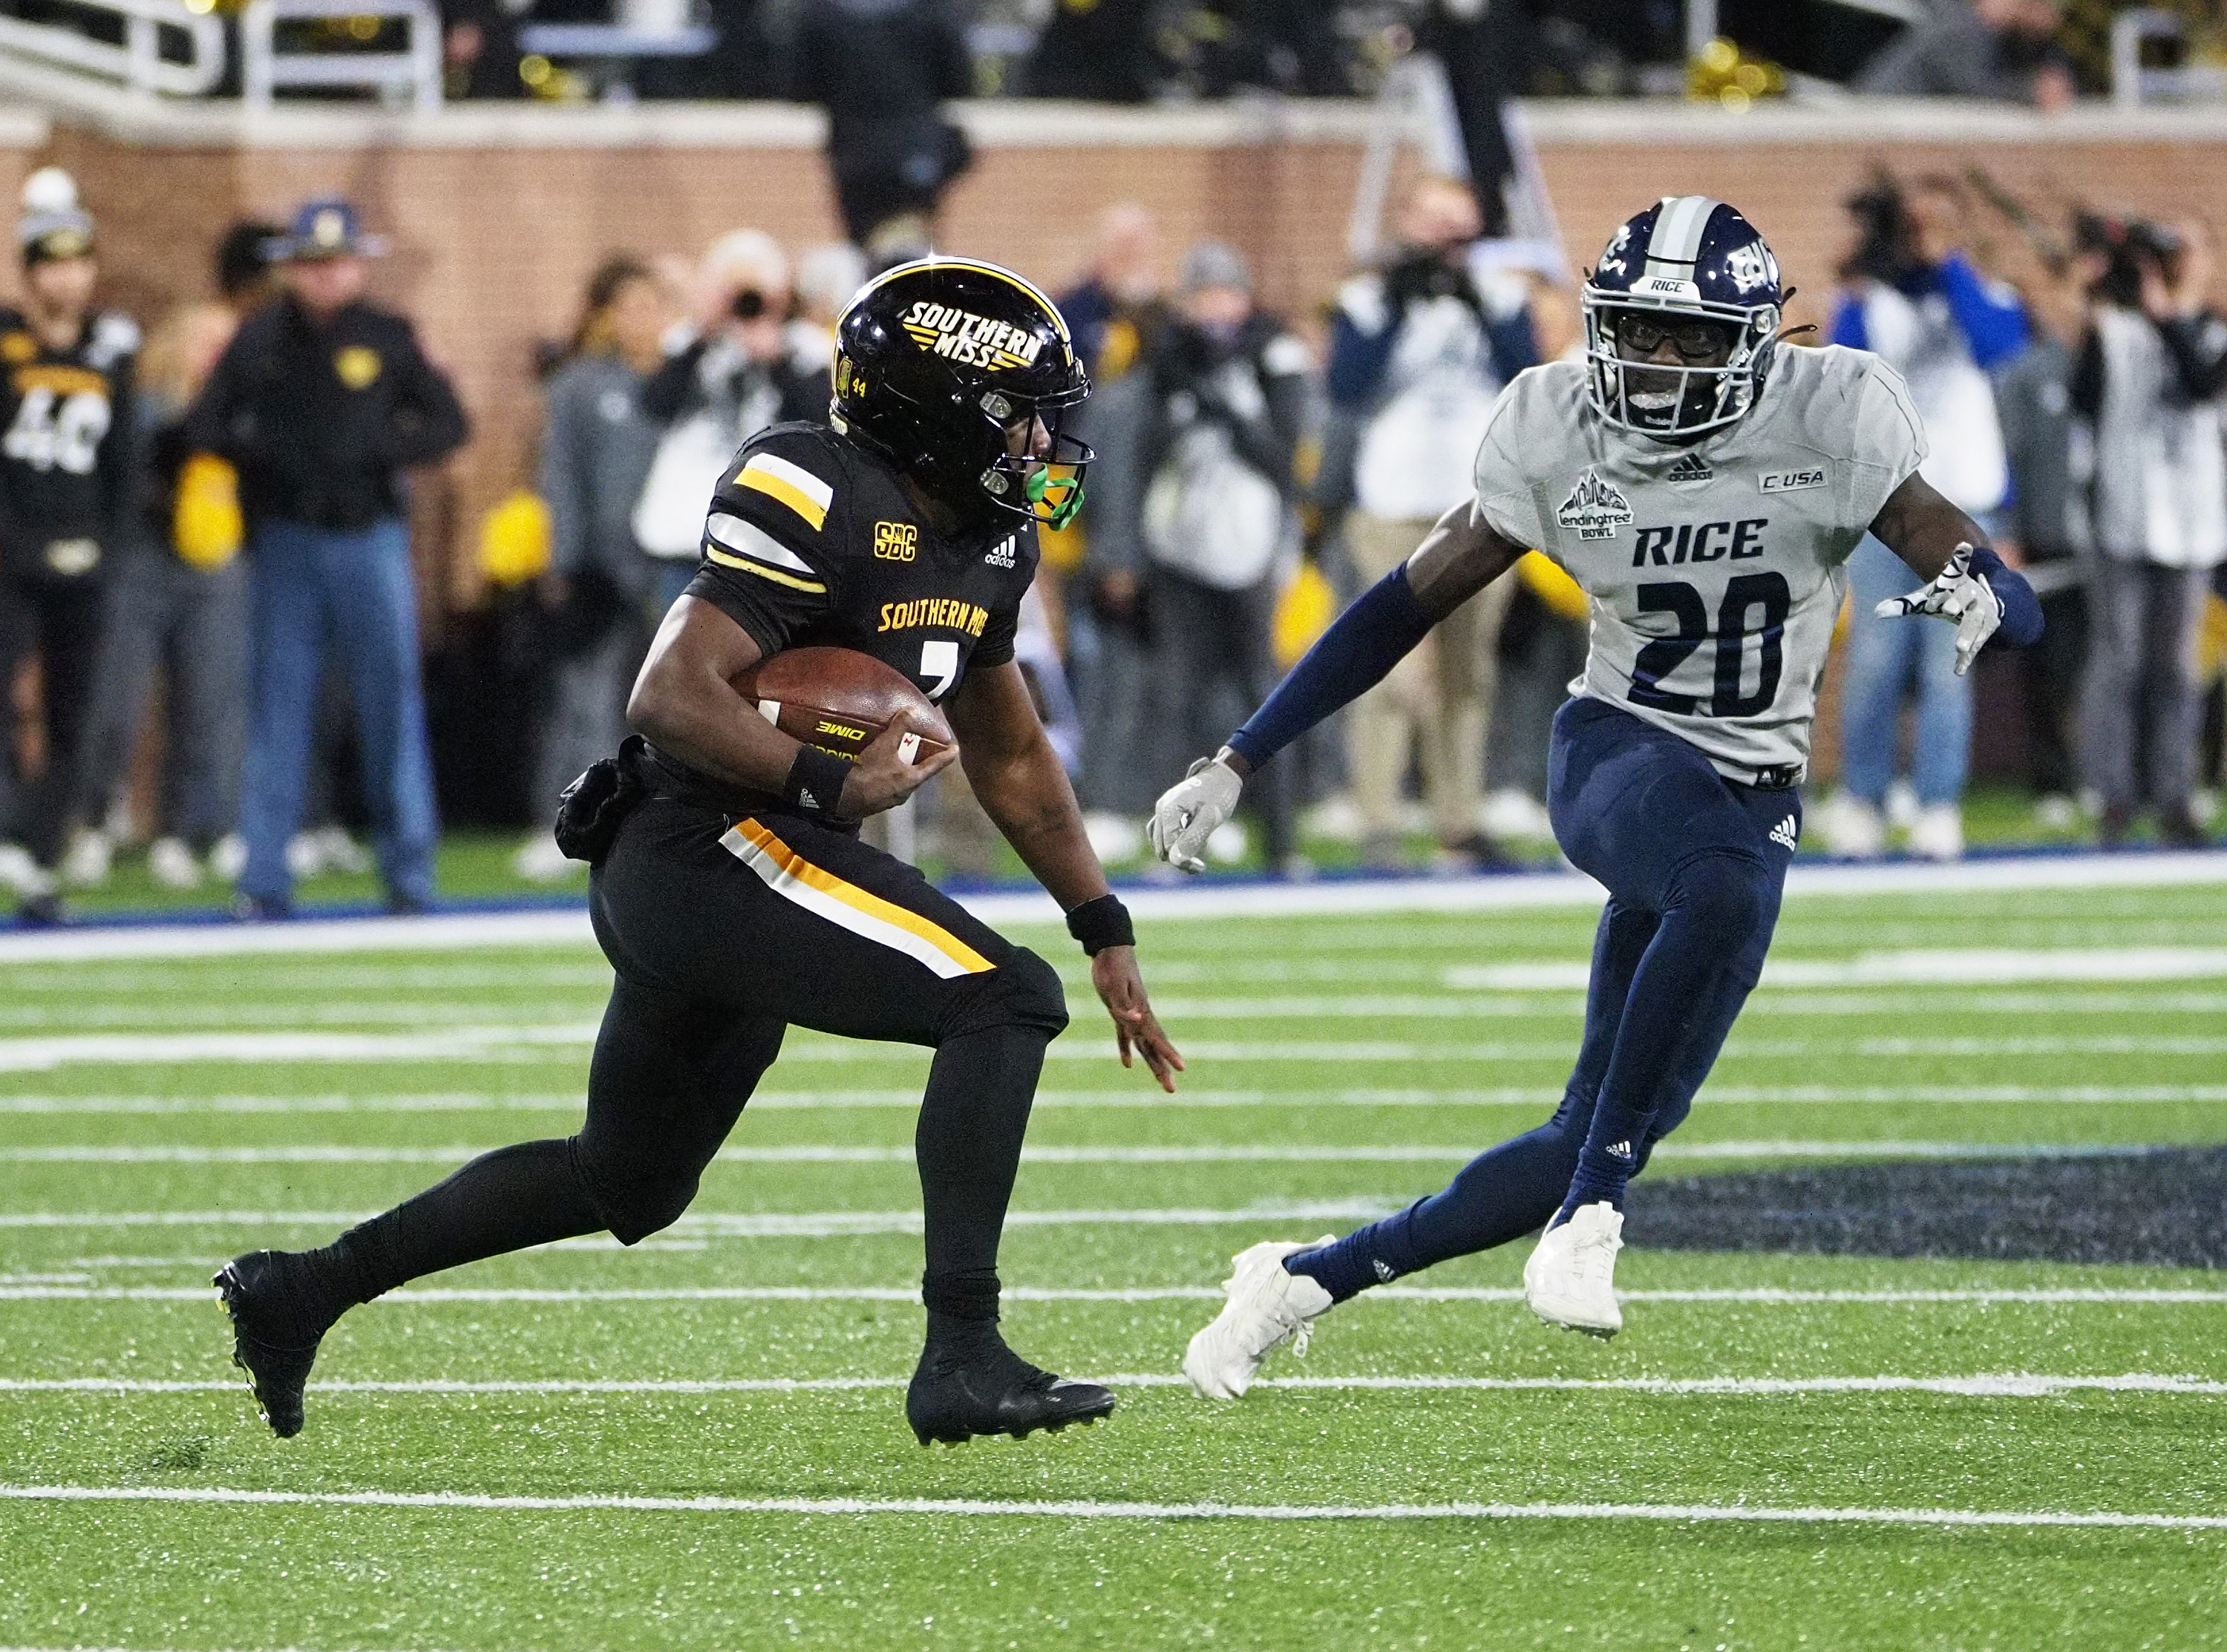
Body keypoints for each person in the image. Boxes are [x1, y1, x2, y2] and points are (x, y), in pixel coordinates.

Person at [214, 257, 1183, 1448]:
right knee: (1003, 999)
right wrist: (831, 776)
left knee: (625, 1182)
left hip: (742, 863)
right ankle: (963, 1353)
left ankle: (301, 1288)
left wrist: (1102, 922)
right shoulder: (814, 484)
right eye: (1017, 410)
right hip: (704, 840)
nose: (1041, 437)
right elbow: (668, 693)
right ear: (932, 401)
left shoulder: (987, 538)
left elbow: (1015, 750)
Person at [1153, 196, 2041, 1393]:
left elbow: (1973, 558)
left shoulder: (1836, 410)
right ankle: (1594, 1218)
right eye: (1637, 331)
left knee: (1589, 1125)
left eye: (1690, 338)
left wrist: (1988, 594)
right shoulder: (1557, 421)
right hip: (1619, 748)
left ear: (1760, 337)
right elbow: (1399, 607)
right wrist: (1239, 757)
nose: (1659, 365)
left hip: (1753, 787)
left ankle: (1308, 1277)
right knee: (1705, 919)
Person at [186, 197, 469, 919]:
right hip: (288, 538)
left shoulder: (389, 335)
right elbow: (207, 424)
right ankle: (264, 877)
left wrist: (381, 454)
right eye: (311, 264)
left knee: (390, 705)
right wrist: (266, 462)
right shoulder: (259, 339)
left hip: (369, 535)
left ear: (358, 265)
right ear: (291, 269)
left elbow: (448, 422)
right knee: (277, 709)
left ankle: (410, 873)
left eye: (336, 263)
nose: (324, 278)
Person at [1319, 175, 1539, 869]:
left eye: (1457, 225)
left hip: (1476, 508)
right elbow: (1346, 389)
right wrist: (1394, 306)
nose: (1445, 240)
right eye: (1433, 224)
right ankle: (1377, 818)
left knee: (1466, 674)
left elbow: (1526, 380)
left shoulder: (1501, 295)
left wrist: (1478, 307)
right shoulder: (1366, 299)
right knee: (1384, 669)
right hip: (1389, 504)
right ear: (1408, 225)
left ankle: (1459, 820)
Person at [1825, 176, 2029, 861]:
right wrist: (1869, 276)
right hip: (1888, 506)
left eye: (1936, 224)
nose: (1920, 236)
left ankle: (1938, 802)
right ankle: (1865, 797)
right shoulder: (1870, 300)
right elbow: (1840, 377)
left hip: (1965, 506)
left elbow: (1996, 347)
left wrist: (1948, 265)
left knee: (1948, 663)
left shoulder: (1987, 294)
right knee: (1877, 662)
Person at [1093, 240, 1310, 871]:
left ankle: (1280, 842)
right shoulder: (1163, 362)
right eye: (1202, 296)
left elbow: (1282, 459)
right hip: (1180, 550)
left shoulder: (1273, 357)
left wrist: (1219, 399)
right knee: (1175, 699)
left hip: (1252, 548)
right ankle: (1174, 838)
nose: (1215, 310)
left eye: (1225, 294)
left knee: (1265, 697)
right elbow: (1136, 458)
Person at [65, 291, 250, 893]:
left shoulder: (242, 414)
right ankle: (93, 825)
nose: (218, 356)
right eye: (208, 342)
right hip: (142, 564)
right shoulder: (142, 403)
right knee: (116, 705)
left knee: (203, 705)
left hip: (211, 568)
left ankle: (176, 832)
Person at [0, 168, 139, 927]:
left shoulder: (109, 351)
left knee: (72, 715)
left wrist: (108, 547)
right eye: (51, 262)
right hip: (13, 557)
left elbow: (125, 465)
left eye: (77, 261)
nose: (67, 277)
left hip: (84, 556)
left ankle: (43, 849)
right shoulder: (6, 343)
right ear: (30, 271)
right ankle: (13, 835)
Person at [513, 257, 673, 884]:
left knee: (674, 706)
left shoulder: (687, 382)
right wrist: (562, 560)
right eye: (628, 306)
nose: (642, 320)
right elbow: (560, 478)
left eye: (652, 304)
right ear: (605, 316)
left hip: (674, 566)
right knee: (583, 698)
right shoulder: (580, 385)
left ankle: (661, 828)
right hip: (601, 569)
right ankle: (566, 822)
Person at [2075, 216, 2226, 848]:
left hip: (2192, 523)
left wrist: (2166, 317)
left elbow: (2201, 383)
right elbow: (2081, 403)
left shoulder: (2213, 330)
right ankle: (2113, 796)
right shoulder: (2112, 331)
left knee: (2176, 670)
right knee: (2119, 664)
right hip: (2125, 518)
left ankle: (2174, 796)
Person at [632, 231, 828, 612]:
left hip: (768, 534)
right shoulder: (689, 342)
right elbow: (655, 405)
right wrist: (705, 331)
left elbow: (817, 425)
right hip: (683, 533)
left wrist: (778, 361)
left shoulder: (804, 346)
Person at [792, 0, 973, 249]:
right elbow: (959, 80)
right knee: (915, 253)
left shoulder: (822, 15)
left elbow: (801, 86)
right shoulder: (930, 12)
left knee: (862, 249)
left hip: (854, 155)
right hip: (914, 151)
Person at [1854, 0, 2075, 109]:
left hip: (1911, 125)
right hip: (1876, 119)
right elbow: (1971, 88)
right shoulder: (1960, 26)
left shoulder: (2013, 38)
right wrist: (2030, 90)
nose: (2052, 18)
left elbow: (2054, 72)